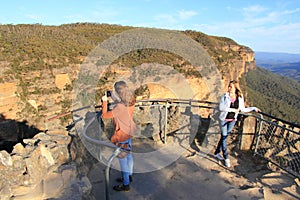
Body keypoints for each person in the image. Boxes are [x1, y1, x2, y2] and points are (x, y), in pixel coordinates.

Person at [214, 80, 260, 167]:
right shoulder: (225, 96)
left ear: (235, 88)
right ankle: (226, 158)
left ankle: (216, 152)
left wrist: (254, 108)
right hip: (223, 120)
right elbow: (221, 107)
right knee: (224, 137)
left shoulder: (240, 97)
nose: (228, 88)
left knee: (224, 137)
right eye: (229, 86)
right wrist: (233, 110)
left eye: (231, 87)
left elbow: (242, 109)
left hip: (232, 120)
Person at [101, 81, 136, 191]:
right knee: (129, 155)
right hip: (129, 131)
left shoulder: (120, 106)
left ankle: (126, 184)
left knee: (122, 159)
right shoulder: (131, 100)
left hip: (122, 135)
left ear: (119, 92)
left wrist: (105, 102)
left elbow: (105, 115)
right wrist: (112, 96)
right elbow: (120, 103)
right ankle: (129, 176)